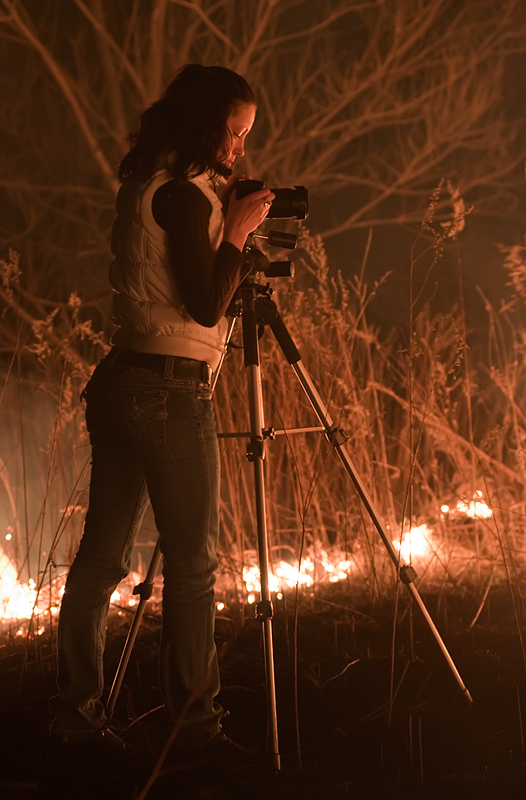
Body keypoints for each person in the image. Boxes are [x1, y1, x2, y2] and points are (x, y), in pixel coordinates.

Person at [50, 64, 274, 754]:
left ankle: (76, 715)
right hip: (170, 390)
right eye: (233, 133)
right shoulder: (182, 198)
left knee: (100, 558)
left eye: (244, 136)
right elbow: (205, 304)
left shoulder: (152, 183)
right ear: (207, 125)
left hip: (123, 378)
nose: (238, 147)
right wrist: (233, 232)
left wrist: (227, 229)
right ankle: (195, 725)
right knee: (193, 560)